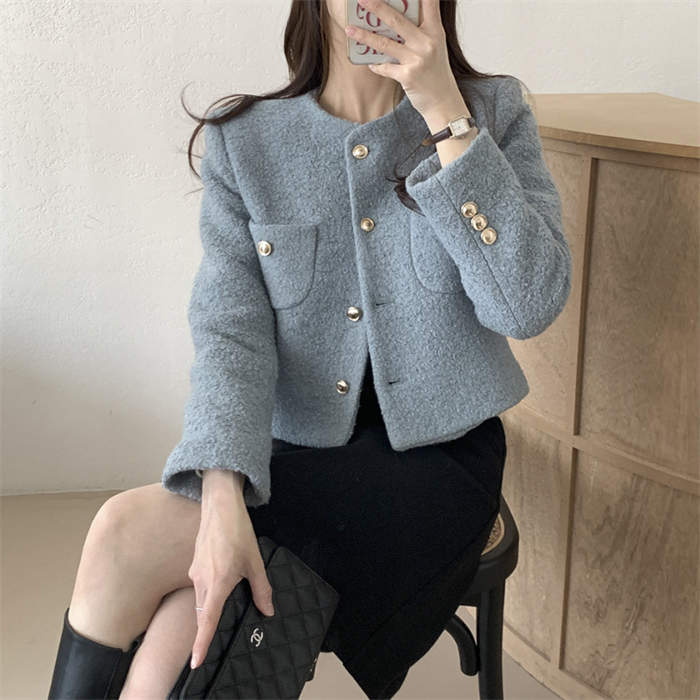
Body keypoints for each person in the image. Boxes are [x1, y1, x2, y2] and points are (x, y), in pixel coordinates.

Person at [47, 0, 571, 697]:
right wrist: (222, 493)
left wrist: (445, 114)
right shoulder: (247, 141)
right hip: (294, 456)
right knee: (180, 632)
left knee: (126, 533)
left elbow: (527, 306)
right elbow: (231, 334)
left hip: (440, 468)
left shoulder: (491, 113)